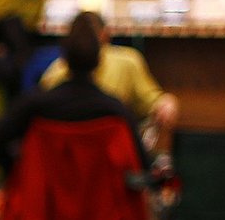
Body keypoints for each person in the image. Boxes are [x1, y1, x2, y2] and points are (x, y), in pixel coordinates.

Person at [0, 11, 144, 175]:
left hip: (45, 198)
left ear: (63, 56)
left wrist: (19, 169)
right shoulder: (117, 111)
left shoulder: (34, 105)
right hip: (102, 199)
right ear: (99, 60)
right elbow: (141, 165)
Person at [37, 11, 180, 137]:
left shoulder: (53, 73)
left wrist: (164, 103)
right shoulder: (126, 67)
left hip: (62, 162)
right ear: (105, 35)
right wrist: (166, 103)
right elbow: (152, 103)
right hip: (111, 162)